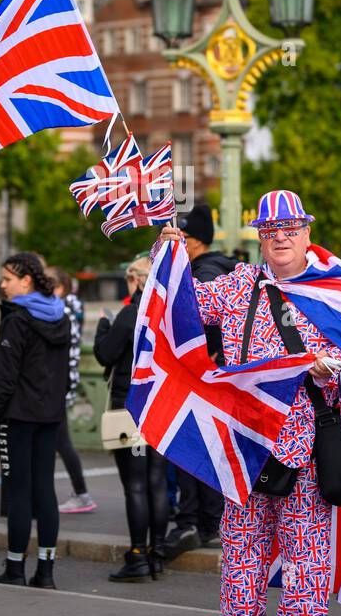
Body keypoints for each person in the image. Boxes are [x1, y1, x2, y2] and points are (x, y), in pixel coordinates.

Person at [158, 189, 341, 616]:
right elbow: (182, 310)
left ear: (306, 232)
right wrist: (169, 257)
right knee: (240, 539)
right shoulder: (241, 285)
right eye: (269, 232)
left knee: (304, 542)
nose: (280, 238)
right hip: (245, 440)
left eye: (289, 230)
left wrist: (330, 368)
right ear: (259, 239)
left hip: (306, 440)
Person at [0, 253, 70, 589]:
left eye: (7, 278)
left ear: (26, 280)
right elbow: (64, 375)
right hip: (50, 415)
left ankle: (15, 567)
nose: (2, 284)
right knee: (45, 489)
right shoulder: (61, 316)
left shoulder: (16, 319)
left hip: (17, 417)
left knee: (18, 491)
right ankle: (46, 571)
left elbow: (3, 379)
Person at [163, 203, 236, 559]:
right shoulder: (228, 269)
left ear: (196, 241)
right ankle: (209, 520)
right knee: (210, 450)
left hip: (200, 376)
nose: (182, 244)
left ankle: (193, 521)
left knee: (190, 448)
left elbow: (185, 310)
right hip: (217, 378)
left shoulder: (205, 275)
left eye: (185, 238)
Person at [94, 256, 169, 582]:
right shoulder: (167, 315)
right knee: (157, 483)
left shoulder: (129, 314)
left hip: (131, 407)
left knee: (135, 486)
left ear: (137, 281)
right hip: (163, 405)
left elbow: (105, 354)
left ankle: (137, 554)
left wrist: (102, 327)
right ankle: (158, 553)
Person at [50, 268, 96, 514]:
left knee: (60, 441)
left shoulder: (61, 310)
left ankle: (81, 493)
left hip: (58, 383)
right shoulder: (73, 306)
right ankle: (80, 492)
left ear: (58, 288)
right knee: (59, 440)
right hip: (66, 381)